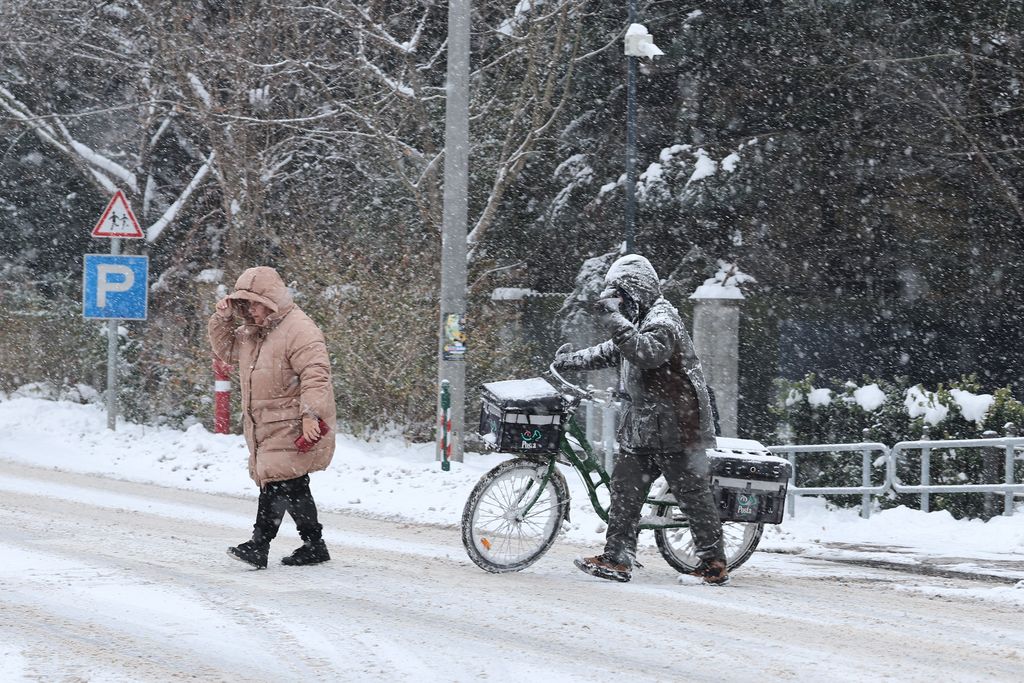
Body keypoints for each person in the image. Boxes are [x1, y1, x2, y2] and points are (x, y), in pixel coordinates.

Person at [553, 254, 729, 585]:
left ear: (638, 290)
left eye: (621, 294)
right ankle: (618, 558)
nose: (618, 302)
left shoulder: (663, 320)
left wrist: (614, 319)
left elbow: (646, 353)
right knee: (625, 490)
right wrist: (570, 360)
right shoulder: (642, 317)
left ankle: (713, 564)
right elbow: (613, 350)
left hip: (678, 423)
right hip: (645, 425)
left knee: (691, 494)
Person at [209, 266, 337, 569]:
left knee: (277, 483)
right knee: (292, 484)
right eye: (245, 304)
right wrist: (222, 319)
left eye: (254, 303)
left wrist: (311, 415)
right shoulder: (254, 332)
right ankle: (314, 544)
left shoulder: (299, 330)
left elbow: (316, 375)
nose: (250, 310)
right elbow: (226, 350)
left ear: (270, 300)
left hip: (290, 422)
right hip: (264, 423)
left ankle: (259, 544)